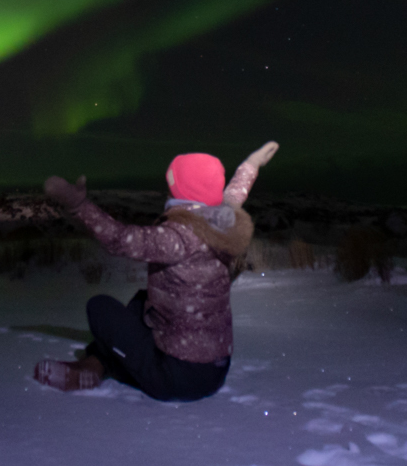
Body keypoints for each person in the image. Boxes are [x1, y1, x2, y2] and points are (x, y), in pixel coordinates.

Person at [34, 141, 278, 401]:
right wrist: (250, 165)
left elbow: (119, 238)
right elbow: (233, 196)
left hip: (177, 378)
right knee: (142, 302)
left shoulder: (179, 236)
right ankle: (102, 362)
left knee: (100, 308)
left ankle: (97, 364)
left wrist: (78, 206)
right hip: (214, 372)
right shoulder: (222, 223)